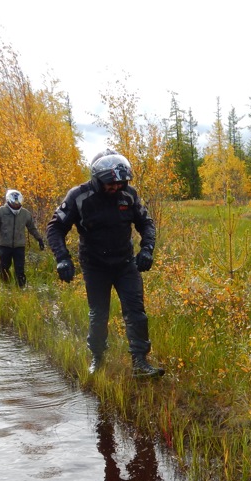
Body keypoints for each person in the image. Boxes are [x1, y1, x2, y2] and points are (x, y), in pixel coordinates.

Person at [46, 150, 164, 378]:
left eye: (121, 183)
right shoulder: (78, 197)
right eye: (111, 184)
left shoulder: (129, 195)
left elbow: (146, 223)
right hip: (95, 265)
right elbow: (55, 228)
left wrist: (147, 249)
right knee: (99, 315)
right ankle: (97, 357)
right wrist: (62, 258)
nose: (116, 188)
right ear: (97, 178)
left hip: (125, 264)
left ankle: (139, 362)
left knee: (136, 312)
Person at [0, 189, 45, 288]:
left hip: (19, 246)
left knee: (20, 269)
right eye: (14, 202)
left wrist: (39, 239)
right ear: (8, 200)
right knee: (3, 268)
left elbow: (32, 228)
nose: (16, 204)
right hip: (4, 245)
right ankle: (6, 287)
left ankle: (21, 289)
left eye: (18, 202)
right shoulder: (0, 211)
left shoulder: (25, 213)